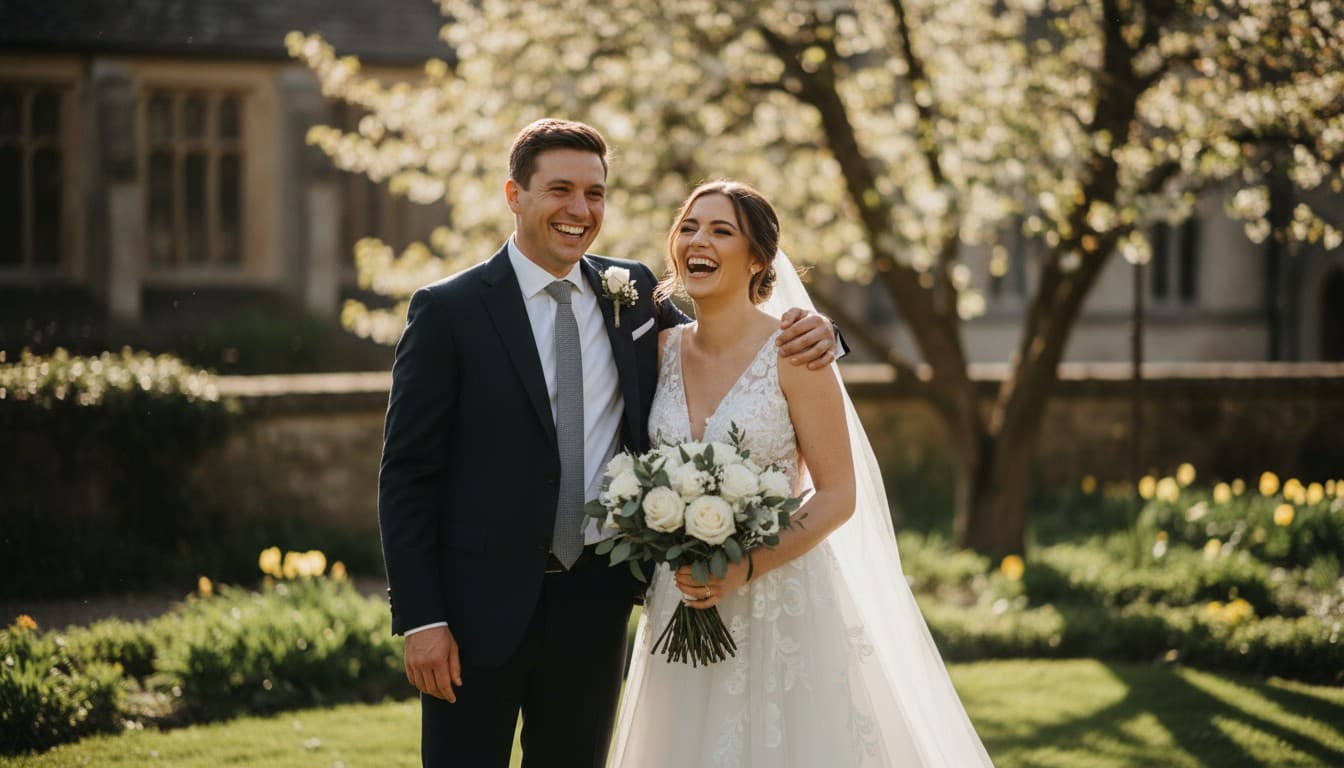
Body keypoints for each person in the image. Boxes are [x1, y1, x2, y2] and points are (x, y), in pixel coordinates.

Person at [377, 120, 841, 768]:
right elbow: (407, 475)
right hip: (474, 611)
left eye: (594, 193)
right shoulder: (449, 310)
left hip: (596, 607)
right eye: (560, 189)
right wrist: (423, 618)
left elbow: (735, 337)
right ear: (514, 195)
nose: (580, 209)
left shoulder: (632, 295)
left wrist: (822, 331)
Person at [609, 181, 994, 767]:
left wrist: (744, 566)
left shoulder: (796, 352)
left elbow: (838, 494)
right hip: (682, 594)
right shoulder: (657, 351)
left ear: (758, 260)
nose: (698, 240)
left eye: (721, 230)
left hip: (778, 600)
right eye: (688, 227)